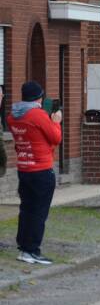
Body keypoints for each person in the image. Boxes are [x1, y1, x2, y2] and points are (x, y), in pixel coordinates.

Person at [7, 81, 62, 265]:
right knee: (39, 212)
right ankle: (32, 250)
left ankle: (23, 248)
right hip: (41, 170)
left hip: (24, 167)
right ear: (39, 97)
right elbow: (56, 137)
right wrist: (56, 122)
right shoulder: (38, 115)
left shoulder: (12, 116)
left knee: (26, 210)